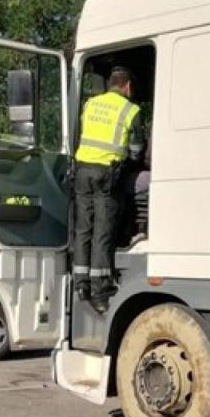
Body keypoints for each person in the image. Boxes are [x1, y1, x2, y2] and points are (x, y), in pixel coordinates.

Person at [74, 66, 145, 314]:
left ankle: (81, 283)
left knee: (84, 228)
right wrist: (132, 161)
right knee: (103, 231)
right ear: (126, 86)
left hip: (82, 170)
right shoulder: (131, 109)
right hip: (107, 174)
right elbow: (136, 149)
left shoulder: (90, 104)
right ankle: (100, 288)